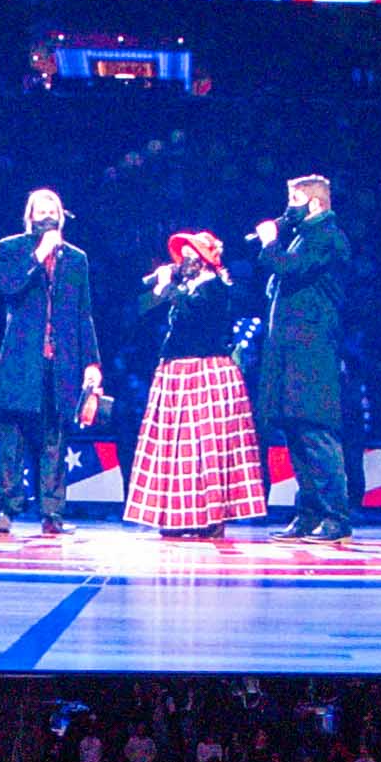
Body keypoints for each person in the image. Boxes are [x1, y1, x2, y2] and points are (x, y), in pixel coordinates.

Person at [121, 231, 261, 538]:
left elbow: (194, 314)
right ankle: (177, 515)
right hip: (175, 372)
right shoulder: (183, 288)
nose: (182, 262)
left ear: (203, 260)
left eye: (189, 256)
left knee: (206, 447)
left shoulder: (216, 288)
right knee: (175, 446)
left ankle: (211, 516)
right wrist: (161, 286)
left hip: (206, 373)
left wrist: (170, 286)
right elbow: (141, 309)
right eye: (181, 256)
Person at [0, 188, 104, 529]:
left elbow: (84, 314)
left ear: (61, 215)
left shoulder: (76, 258)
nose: (47, 214)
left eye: (53, 208)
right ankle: (6, 508)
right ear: (30, 215)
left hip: (60, 360)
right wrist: (39, 255)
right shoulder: (11, 249)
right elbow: (9, 288)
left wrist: (92, 364)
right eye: (40, 208)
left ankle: (52, 512)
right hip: (22, 360)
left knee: (54, 439)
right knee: (13, 438)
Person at [253, 172, 361, 537]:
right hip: (289, 356)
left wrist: (270, 244)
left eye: (294, 201)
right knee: (296, 432)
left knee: (316, 433)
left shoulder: (327, 237)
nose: (288, 209)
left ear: (314, 203)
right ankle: (309, 511)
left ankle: (336, 515)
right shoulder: (302, 237)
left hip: (312, 355)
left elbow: (291, 269)